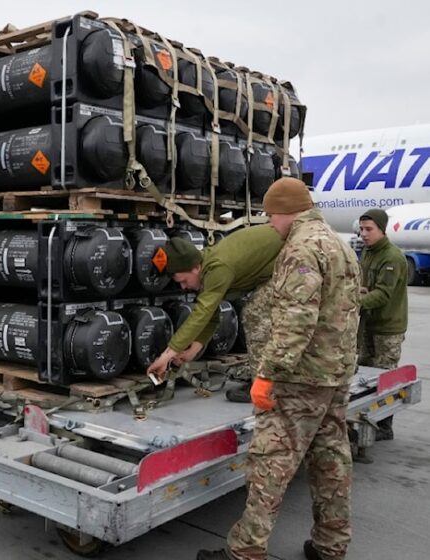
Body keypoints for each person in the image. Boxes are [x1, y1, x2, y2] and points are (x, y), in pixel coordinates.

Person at [197, 177, 361, 560]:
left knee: (270, 465)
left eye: (271, 217)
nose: (271, 225)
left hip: (299, 377)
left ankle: (245, 552)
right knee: (331, 460)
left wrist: (267, 372)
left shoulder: (301, 248)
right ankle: (331, 545)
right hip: (335, 374)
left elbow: (296, 319)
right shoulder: (340, 244)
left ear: (286, 212)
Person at [146, 224, 284, 403]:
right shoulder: (208, 266)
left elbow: (202, 313)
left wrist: (166, 356)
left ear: (195, 268)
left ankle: (265, 386)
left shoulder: (217, 268)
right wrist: (191, 352)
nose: (183, 287)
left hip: (293, 260)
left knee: (254, 314)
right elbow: (211, 315)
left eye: (183, 280)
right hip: (278, 265)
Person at [356, 208, 408, 441]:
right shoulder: (368, 252)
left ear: (382, 229)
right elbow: (365, 285)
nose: (364, 234)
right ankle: (366, 420)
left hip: (388, 328)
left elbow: (383, 294)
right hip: (368, 324)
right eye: (362, 229)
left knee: (384, 378)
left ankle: (384, 426)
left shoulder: (392, 257)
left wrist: (353, 302)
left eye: (369, 229)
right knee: (365, 376)